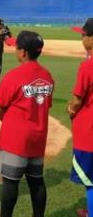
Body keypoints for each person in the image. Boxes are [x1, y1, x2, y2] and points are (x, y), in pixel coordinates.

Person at [0, 31, 54, 217]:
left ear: (23, 52)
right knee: (36, 181)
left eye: (17, 47)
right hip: (38, 137)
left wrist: (10, 120)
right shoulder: (47, 76)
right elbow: (46, 105)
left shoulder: (14, 76)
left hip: (16, 139)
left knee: (11, 182)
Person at [68, 18, 93, 217]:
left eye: (84, 35)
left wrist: (70, 109)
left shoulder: (87, 67)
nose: (82, 38)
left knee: (90, 179)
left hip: (88, 132)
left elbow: (77, 100)